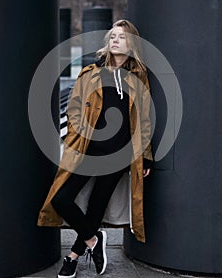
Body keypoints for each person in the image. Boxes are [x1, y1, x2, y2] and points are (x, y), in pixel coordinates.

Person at [37, 19, 153, 278]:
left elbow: (145, 118)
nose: (114, 40)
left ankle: (72, 258)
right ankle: (93, 239)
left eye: (121, 37)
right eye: (112, 36)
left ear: (131, 44)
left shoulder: (138, 76)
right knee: (61, 198)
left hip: (120, 154)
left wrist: (145, 156)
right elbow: (75, 109)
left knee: (96, 206)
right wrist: (76, 138)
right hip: (88, 151)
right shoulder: (90, 72)